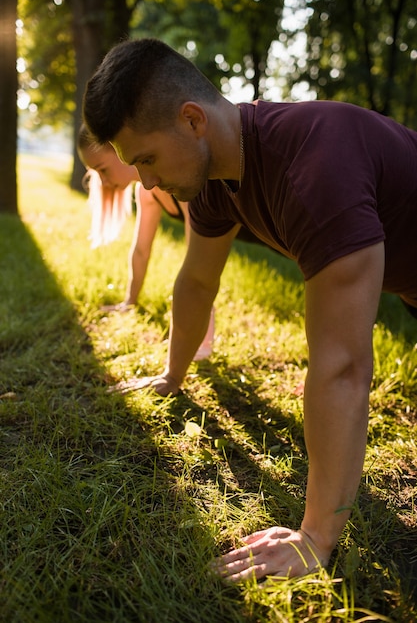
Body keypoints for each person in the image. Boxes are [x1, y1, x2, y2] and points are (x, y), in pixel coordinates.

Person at [82, 38, 417, 582]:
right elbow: (196, 282)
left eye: (145, 159)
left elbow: (344, 368)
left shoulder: (315, 167)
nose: (144, 182)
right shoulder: (215, 180)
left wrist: (313, 539)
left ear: (192, 120)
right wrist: (173, 375)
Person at [77, 125, 215, 359]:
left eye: (102, 169)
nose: (102, 181)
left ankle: (203, 337)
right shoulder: (146, 192)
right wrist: (129, 302)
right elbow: (141, 250)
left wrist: (200, 341)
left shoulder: (178, 179)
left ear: (121, 149)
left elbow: (199, 262)